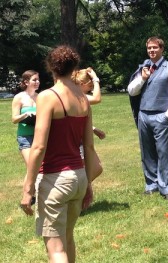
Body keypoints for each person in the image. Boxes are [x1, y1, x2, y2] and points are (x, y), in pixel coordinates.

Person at [21, 45, 102, 263]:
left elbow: (38, 147)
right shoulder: (84, 99)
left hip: (55, 179)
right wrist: (88, 185)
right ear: (74, 67)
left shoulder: (47, 97)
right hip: (78, 178)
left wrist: (28, 187)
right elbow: (89, 147)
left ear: (51, 68)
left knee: (56, 249)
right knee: (67, 238)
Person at [128, 36, 168, 200]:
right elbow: (132, 90)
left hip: (161, 115)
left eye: (155, 48)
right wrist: (143, 78)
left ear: (161, 49)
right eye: (149, 48)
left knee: (163, 152)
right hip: (143, 115)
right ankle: (151, 184)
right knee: (147, 153)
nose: (152, 51)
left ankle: (167, 188)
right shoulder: (143, 69)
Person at [12, 70, 40, 167]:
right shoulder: (19, 97)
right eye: (34, 80)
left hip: (39, 135)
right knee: (32, 166)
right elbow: (14, 119)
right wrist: (26, 114)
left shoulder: (40, 97)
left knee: (40, 168)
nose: (37, 82)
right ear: (26, 82)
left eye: (38, 80)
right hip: (25, 137)